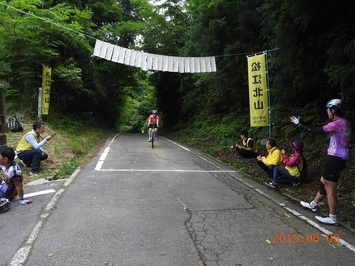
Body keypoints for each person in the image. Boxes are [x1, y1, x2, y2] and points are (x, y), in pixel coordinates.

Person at [290, 99, 351, 225]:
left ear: (333, 110)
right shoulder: (344, 122)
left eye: (328, 110)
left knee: (329, 186)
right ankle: (313, 204)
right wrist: (302, 122)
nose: (327, 112)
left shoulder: (336, 124)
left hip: (335, 157)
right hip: (340, 157)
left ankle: (332, 217)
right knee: (324, 181)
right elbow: (315, 128)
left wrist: (298, 124)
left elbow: (313, 131)